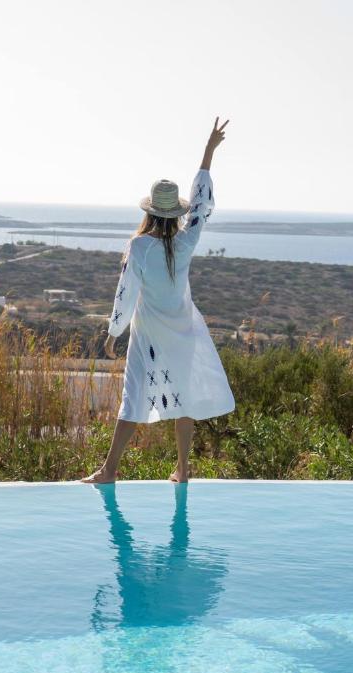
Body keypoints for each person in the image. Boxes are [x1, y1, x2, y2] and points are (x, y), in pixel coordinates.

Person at [82, 118, 236, 484]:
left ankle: (109, 470)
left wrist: (113, 332)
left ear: (149, 211)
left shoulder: (138, 247)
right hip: (182, 332)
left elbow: (126, 292)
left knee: (132, 397)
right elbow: (200, 205)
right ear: (174, 213)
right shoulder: (184, 243)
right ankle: (182, 470)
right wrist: (208, 153)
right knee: (183, 399)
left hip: (149, 334)